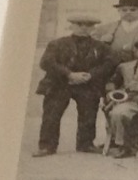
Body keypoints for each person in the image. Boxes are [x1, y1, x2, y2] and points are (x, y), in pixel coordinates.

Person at [34, 14, 116, 156]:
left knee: (89, 113)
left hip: (87, 84)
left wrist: (91, 75)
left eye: (88, 25)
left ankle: (86, 144)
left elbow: (109, 64)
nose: (84, 28)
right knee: (52, 114)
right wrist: (69, 74)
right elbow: (46, 62)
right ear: (72, 26)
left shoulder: (101, 47)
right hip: (60, 84)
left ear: (93, 28)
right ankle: (47, 146)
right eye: (80, 25)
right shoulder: (57, 44)